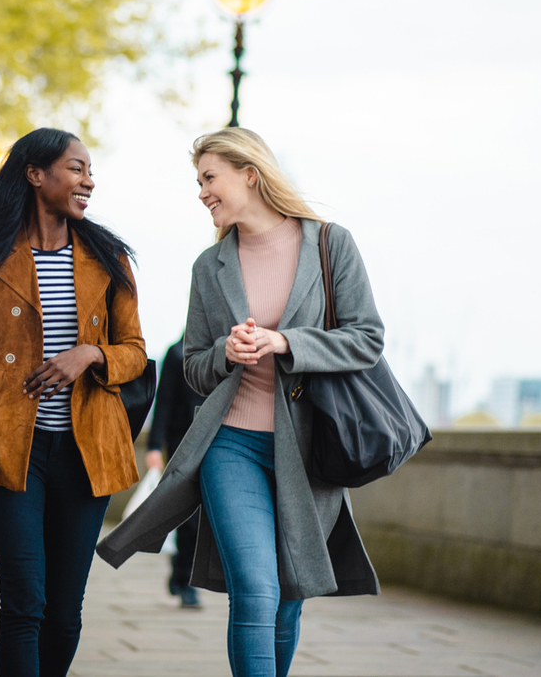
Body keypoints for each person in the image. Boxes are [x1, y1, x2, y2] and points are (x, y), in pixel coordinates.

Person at [98, 128, 384, 677]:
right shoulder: (210, 267)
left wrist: (286, 342)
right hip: (231, 446)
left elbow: (366, 338)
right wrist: (227, 352)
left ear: (249, 174)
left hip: (308, 452)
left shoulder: (330, 244)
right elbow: (195, 369)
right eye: (199, 181)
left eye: (209, 178)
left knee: (289, 595)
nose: (202, 192)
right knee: (255, 590)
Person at [0, 128, 147, 677]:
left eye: (89, 171)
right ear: (36, 175)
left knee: (63, 614)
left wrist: (88, 354)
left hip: (88, 451)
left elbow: (135, 353)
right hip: (14, 449)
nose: (89, 180)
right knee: (24, 604)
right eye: (77, 168)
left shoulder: (109, 258)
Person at [144, 334, 202, 609]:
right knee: (188, 517)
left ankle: (184, 576)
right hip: (180, 445)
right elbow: (163, 402)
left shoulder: (226, 351)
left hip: (216, 442)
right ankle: (185, 580)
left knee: (203, 519)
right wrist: (154, 446)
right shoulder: (177, 353)